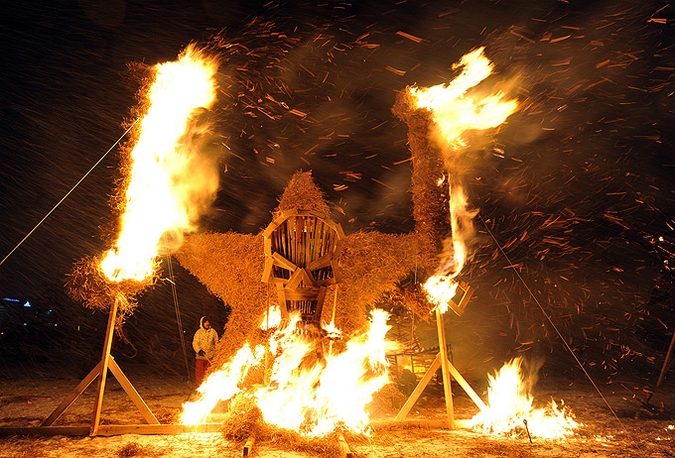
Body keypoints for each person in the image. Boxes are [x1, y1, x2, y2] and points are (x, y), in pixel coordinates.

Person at [192, 316, 219, 386]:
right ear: (202, 323)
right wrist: (199, 351)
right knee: (199, 374)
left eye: (208, 322)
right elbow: (195, 343)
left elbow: (216, 343)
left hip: (211, 356)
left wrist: (217, 352)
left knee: (209, 373)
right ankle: (200, 387)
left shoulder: (213, 332)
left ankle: (210, 387)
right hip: (201, 357)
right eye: (205, 322)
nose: (207, 323)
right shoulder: (198, 333)